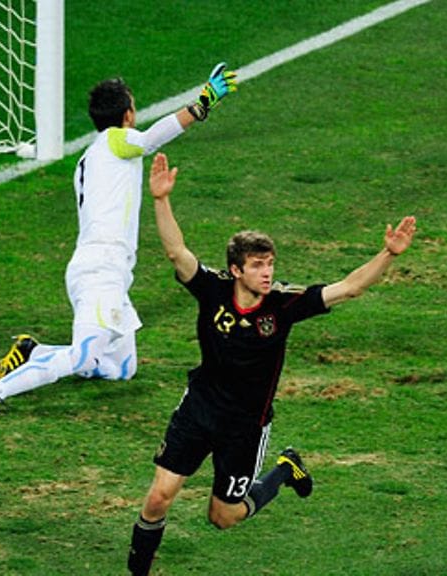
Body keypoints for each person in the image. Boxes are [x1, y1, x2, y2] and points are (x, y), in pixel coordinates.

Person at [127, 153, 417, 575]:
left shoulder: (283, 305)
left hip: (244, 426)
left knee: (222, 517)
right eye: (258, 266)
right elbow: (176, 252)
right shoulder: (212, 290)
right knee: (157, 498)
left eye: (270, 264)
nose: (267, 273)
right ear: (235, 270)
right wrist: (160, 199)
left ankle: (284, 469)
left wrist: (388, 254)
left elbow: (350, 287)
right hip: (199, 408)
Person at [0, 63, 239, 419]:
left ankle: (33, 352)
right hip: (101, 270)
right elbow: (151, 138)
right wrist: (201, 105)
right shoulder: (115, 140)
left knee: (121, 369)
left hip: (107, 270)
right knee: (83, 356)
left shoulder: (91, 156)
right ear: (128, 114)